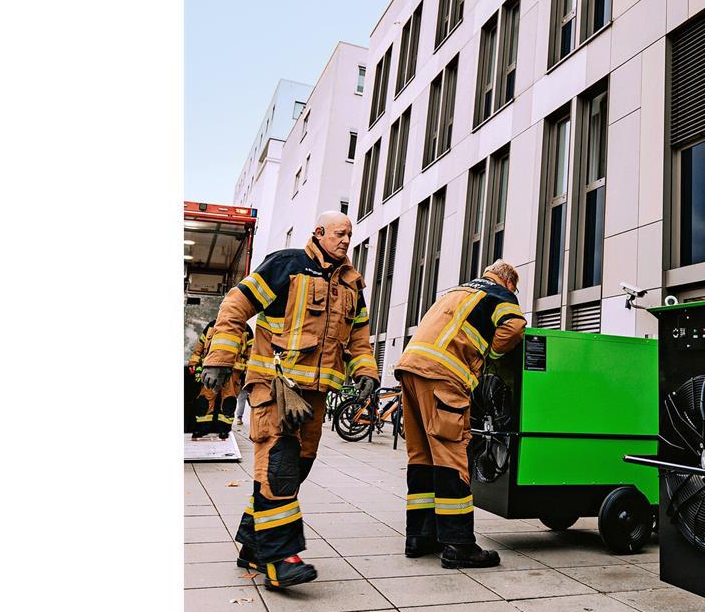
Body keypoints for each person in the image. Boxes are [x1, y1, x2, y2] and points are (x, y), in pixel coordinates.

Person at [201, 211, 379, 589]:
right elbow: (236, 306)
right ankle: (281, 559)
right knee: (280, 466)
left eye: (350, 234)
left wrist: (366, 372)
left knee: (296, 469)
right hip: (274, 386)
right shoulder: (288, 265)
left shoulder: (352, 284)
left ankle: (253, 544)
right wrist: (220, 357)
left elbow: (360, 338)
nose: (346, 240)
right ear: (318, 232)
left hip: (314, 398)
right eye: (339, 233)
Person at [394, 259, 526, 569]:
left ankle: (419, 537)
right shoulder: (498, 293)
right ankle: (458, 544)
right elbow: (515, 326)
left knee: (422, 457)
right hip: (443, 376)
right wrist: (491, 354)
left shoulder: (458, 291)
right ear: (509, 282)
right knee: (452, 457)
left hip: (411, 370)